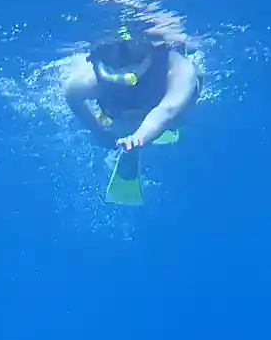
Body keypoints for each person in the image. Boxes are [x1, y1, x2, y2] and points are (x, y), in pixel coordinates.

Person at [60, 25, 201, 206]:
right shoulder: (95, 75)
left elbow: (167, 110)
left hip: (164, 111)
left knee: (178, 115)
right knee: (117, 124)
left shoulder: (179, 67)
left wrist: (139, 137)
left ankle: (136, 136)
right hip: (124, 113)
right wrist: (98, 131)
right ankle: (126, 139)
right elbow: (72, 94)